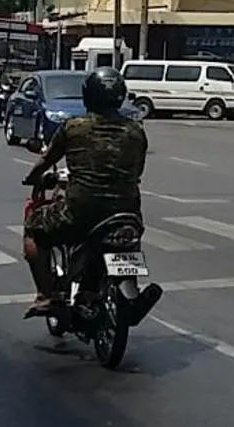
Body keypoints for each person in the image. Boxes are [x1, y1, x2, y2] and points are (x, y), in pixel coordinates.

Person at [20, 67, 147, 316]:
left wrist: (32, 178)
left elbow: (46, 160)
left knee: (33, 231)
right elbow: (137, 171)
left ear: (88, 96)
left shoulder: (74, 127)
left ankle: (46, 295)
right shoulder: (136, 131)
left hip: (80, 212)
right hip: (127, 211)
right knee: (129, 241)